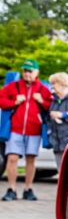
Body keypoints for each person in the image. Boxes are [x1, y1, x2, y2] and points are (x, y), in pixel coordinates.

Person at [0, 59, 52, 201]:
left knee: (31, 159)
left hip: (34, 130)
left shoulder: (43, 89)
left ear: (37, 72)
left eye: (30, 71)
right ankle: (11, 189)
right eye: (25, 70)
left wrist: (42, 100)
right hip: (15, 130)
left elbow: (51, 106)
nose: (27, 73)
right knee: (12, 158)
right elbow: (1, 99)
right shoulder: (14, 86)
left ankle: (28, 189)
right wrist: (14, 102)